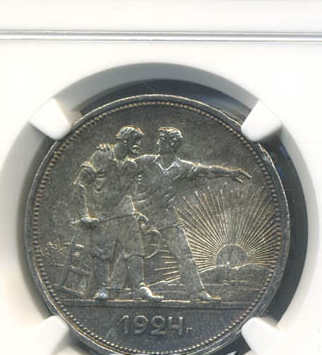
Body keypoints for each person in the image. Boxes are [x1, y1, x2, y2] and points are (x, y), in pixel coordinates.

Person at [133, 127, 251, 302]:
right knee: (131, 252)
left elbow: (207, 171)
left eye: (162, 140)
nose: (157, 143)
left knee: (185, 255)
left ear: (172, 144)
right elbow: (121, 169)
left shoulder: (181, 167)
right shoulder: (145, 161)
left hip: (166, 216)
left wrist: (229, 173)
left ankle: (197, 293)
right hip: (142, 214)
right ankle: (116, 289)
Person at [74, 126, 162, 302]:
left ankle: (140, 287)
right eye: (136, 141)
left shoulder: (131, 164)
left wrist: (136, 213)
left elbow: (127, 193)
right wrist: (84, 214)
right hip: (103, 213)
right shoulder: (102, 155)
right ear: (125, 140)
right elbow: (79, 184)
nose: (138, 145)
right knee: (102, 252)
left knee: (135, 249)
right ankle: (103, 288)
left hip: (126, 213)